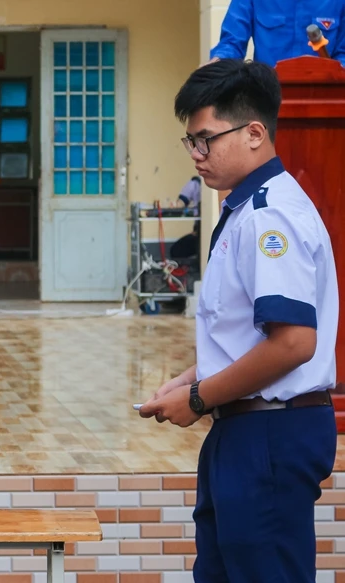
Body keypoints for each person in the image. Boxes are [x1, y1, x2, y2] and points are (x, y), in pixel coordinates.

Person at [139, 59, 339, 583]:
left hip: (271, 428)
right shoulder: (244, 209)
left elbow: (293, 342)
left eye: (206, 139)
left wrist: (201, 397)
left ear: (255, 132)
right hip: (246, 426)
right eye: (191, 143)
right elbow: (247, 334)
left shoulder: (271, 214)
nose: (197, 156)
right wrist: (191, 379)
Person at [209, 0, 345, 68]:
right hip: (266, 101)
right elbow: (231, 44)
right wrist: (216, 66)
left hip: (323, 100)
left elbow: (343, 54)